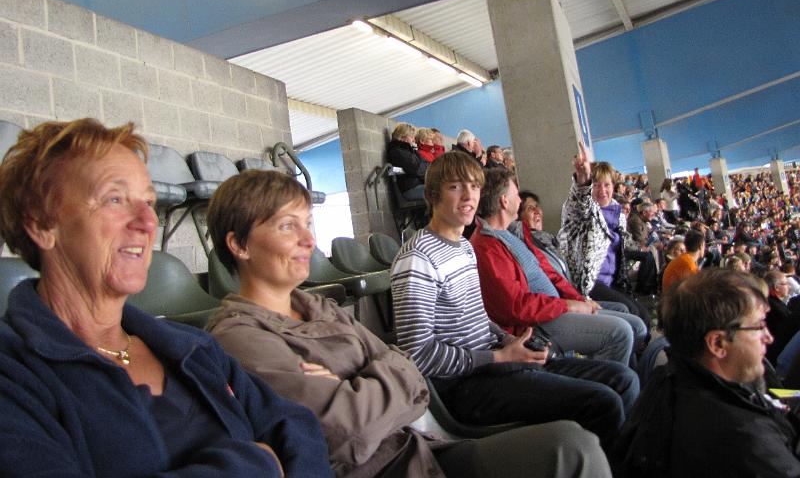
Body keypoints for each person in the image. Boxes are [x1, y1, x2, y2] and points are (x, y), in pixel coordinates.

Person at [205, 169, 611, 478]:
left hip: (421, 445)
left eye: (308, 224)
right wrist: (384, 370)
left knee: (574, 446)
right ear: (239, 244)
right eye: (286, 226)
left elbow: (409, 373)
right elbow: (350, 431)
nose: (309, 241)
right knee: (591, 416)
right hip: (388, 468)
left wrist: (362, 382)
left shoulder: (316, 306)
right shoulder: (238, 338)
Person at [0, 119, 331, 477]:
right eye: (115, 199)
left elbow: (295, 426)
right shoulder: (14, 375)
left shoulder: (191, 346)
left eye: (149, 201)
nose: (147, 221)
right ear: (40, 223)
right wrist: (259, 463)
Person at [391, 151, 638, 452]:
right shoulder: (417, 258)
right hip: (463, 387)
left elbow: (478, 319)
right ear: (433, 195)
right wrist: (498, 357)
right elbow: (417, 355)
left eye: (474, 186)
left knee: (623, 379)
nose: (469, 195)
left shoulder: (464, 249)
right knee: (604, 402)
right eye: (455, 186)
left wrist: (511, 341)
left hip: (495, 363)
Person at [613, 269, 800, 477]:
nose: (768, 337)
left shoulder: (668, 380)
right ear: (717, 343)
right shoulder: (746, 443)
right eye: (759, 326)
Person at [471, 167, 645, 363]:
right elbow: (516, 306)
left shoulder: (515, 234)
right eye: (516, 195)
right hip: (538, 322)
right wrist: (568, 305)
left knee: (637, 325)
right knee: (621, 333)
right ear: (504, 201)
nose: (519, 201)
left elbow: (551, 274)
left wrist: (579, 300)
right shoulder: (486, 247)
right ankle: (608, 382)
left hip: (554, 307)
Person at [557, 142, 650, 326]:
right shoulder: (582, 212)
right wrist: (583, 179)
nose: (602, 190)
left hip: (614, 280)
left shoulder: (617, 211)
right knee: (633, 316)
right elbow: (579, 203)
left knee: (644, 316)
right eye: (596, 185)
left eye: (607, 185)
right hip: (589, 284)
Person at [386, 122, 428, 201]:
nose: (413, 140)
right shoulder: (397, 151)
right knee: (442, 191)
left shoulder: (409, 151)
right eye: (411, 136)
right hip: (410, 189)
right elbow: (416, 170)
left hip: (417, 185)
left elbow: (425, 165)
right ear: (402, 136)